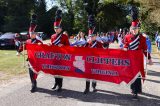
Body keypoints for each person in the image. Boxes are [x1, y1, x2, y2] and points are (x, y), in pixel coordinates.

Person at [123, 20, 153, 99]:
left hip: (138, 60)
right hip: (130, 59)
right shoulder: (127, 37)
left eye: (136, 28)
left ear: (138, 29)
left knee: (137, 75)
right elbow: (125, 45)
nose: (134, 30)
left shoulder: (142, 38)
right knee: (132, 75)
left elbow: (145, 50)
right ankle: (133, 90)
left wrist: (149, 58)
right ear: (130, 29)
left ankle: (136, 90)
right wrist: (125, 48)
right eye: (133, 28)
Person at [51, 10, 70, 92]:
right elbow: (52, 45)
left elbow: (69, 46)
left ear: (61, 29)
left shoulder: (65, 37)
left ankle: (60, 85)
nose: (56, 30)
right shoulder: (52, 36)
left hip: (62, 56)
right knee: (54, 71)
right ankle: (55, 83)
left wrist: (63, 46)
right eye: (55, 28)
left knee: (60, 71)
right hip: (54, 56)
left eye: (57, 28)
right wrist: (50, 45)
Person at [83, 15, 103, 94]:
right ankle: (87, 88)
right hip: (88, 61)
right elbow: (82, 51)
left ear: (96, 36)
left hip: (96, 61)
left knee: (95, 75)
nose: (91, 37)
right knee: (87, 75)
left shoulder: (98, 44)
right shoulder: (87, 44)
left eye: (93, 36)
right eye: (90, 36)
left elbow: (102, 52)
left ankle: (94, 86)